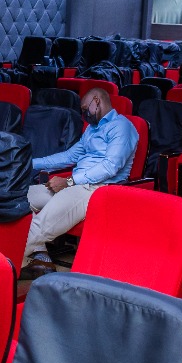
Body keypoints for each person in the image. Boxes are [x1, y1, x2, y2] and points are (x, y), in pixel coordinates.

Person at [20, 87, 138, 280]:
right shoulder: (92, 129)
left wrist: (69, 181)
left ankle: (4, 263)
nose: (84, 115)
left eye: (85, 109)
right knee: (21, 199)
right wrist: (29, 162)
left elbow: (110, 167)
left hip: (98, 190)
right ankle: (39, 260)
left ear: (97, 101)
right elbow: (69, 156)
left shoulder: (121, 127)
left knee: (42, 224)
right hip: (76, 184)